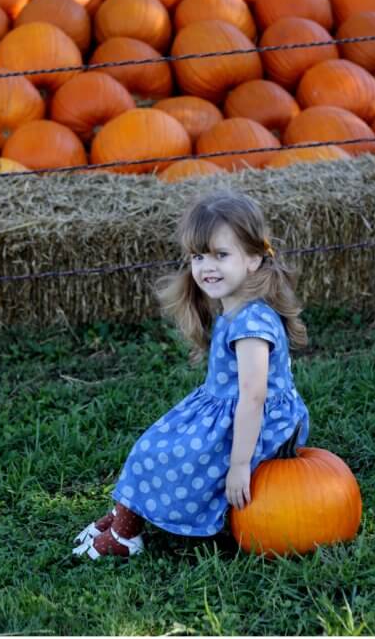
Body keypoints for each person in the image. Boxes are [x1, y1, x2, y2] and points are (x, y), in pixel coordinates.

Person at [73, 190, 310, 559]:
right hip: (224, 409)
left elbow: (254, 396)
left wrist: (239, 465)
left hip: (260, 424)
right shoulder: (233, 310)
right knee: (155, 444)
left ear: (253, 259)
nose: (206, 267)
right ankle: (125, 517)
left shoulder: (253, 323)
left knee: (172, 456)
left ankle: (126, 534)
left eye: (221, 255)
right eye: (198, 256)